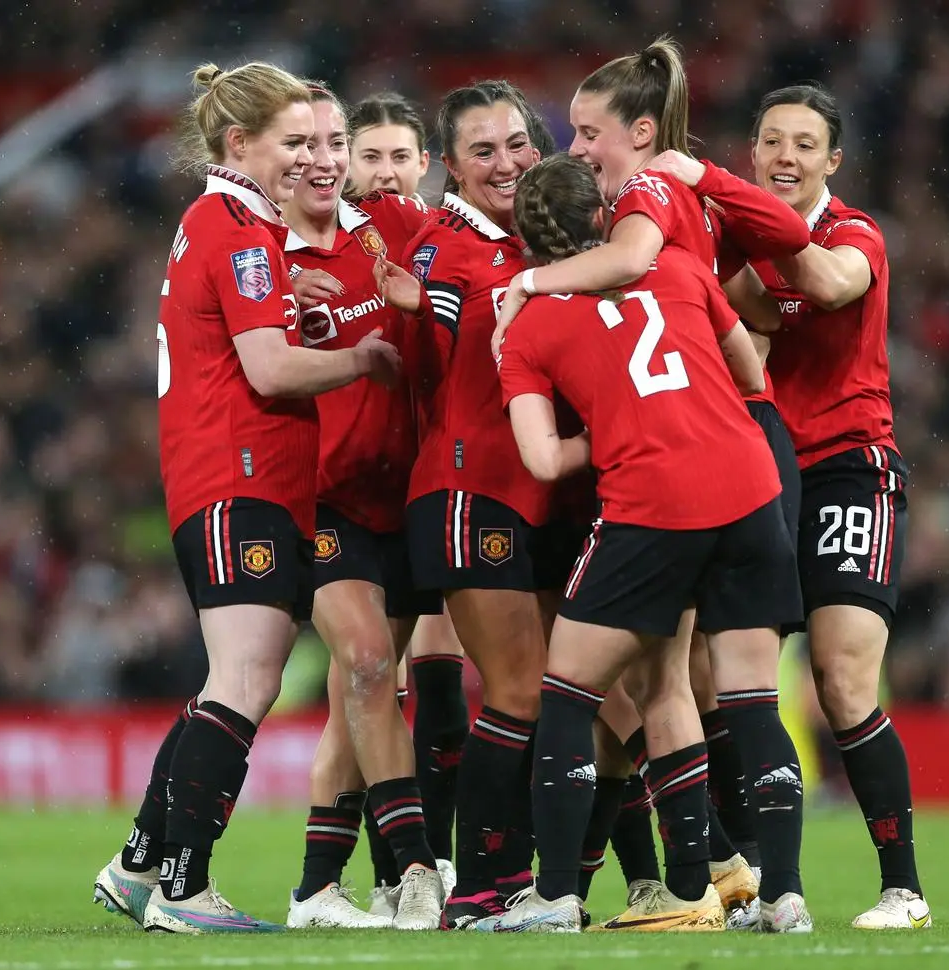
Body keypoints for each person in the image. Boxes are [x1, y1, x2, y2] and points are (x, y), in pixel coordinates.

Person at [489, 36, 811, 926]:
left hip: (655, 502)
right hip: (749, 485)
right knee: (748, 697)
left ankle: (553, 896)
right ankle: (781, 897)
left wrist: (615, 429)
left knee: (567, 690)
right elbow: (752, 376)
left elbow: (545, 461)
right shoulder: (677, 264)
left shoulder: (530, 321)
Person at [91, 61, 399, 935]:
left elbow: (234, 333)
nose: (311, 159)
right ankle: (184, 891)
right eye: (293, 143)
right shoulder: (233, 225)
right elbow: (267, 367)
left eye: (316, 142)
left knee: (231, 683)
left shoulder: (230, 226)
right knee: (244, 681)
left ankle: (141, 863)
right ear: (241, 145)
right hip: (241, 478)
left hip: (235, 480)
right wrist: (364, 358)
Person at [663, 82, 931, 930]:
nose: (785, 157)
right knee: (724, 674)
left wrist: (707, 180)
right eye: (772, 141)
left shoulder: (854, 235)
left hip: (852, 466)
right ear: (754, 151)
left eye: (804, 145)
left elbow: (821, 281)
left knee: (842, 677)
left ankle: (904, 890)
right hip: (759, 469)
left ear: (833, 161)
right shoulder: (732, 245)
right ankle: (752, 880)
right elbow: (715, 314)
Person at [373, 79, 553, 930]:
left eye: (517, 143)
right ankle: (484, 886)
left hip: (534, 495)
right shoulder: (447, 247)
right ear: (449, 166)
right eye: (482, 151)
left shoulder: (551, 237)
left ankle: (522, 879)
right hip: (466, 489)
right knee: (518, 689)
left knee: (560, 692)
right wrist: (421, 312)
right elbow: (430, 362)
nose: (506, 163)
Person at [276, 83, 445, 932]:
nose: (368, 171)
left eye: (385, 155)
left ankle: (318, 887)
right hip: (327, 500)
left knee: (362, 690)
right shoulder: (273, 253)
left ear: (423, 165)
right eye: (355, 152)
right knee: (372, 669)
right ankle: (416, 872)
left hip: (407, 501)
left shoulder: (410, 239)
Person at [346, 93, 470, 907]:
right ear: (347, 163)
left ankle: (437, 861)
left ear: (423, 164)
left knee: (444, 679)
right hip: (356, 494)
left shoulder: (440, 242)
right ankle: (391, 869)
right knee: (365, 687)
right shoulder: (323, 240)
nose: (386, 174)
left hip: (435, 483)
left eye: (400, 158)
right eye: (371, 159)